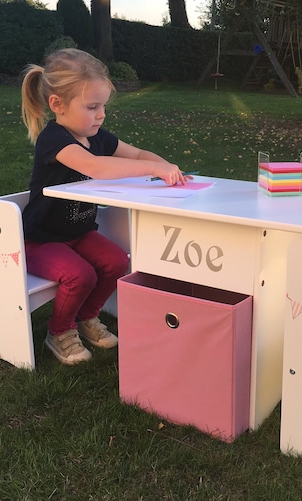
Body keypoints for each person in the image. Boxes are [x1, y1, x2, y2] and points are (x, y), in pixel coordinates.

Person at [20, 48, 189, 365]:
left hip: (78, 232)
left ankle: (87, 317)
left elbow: (137, 154)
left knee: (115, 261)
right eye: (92, 107)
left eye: (103, 107)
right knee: (79, 275)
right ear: (57, 104)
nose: (101, 115)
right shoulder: (54, 139)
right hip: (41, 239)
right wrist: (152, 171)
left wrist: (167, 165)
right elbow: (96, 168)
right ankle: (58, 332)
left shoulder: (96, 136)